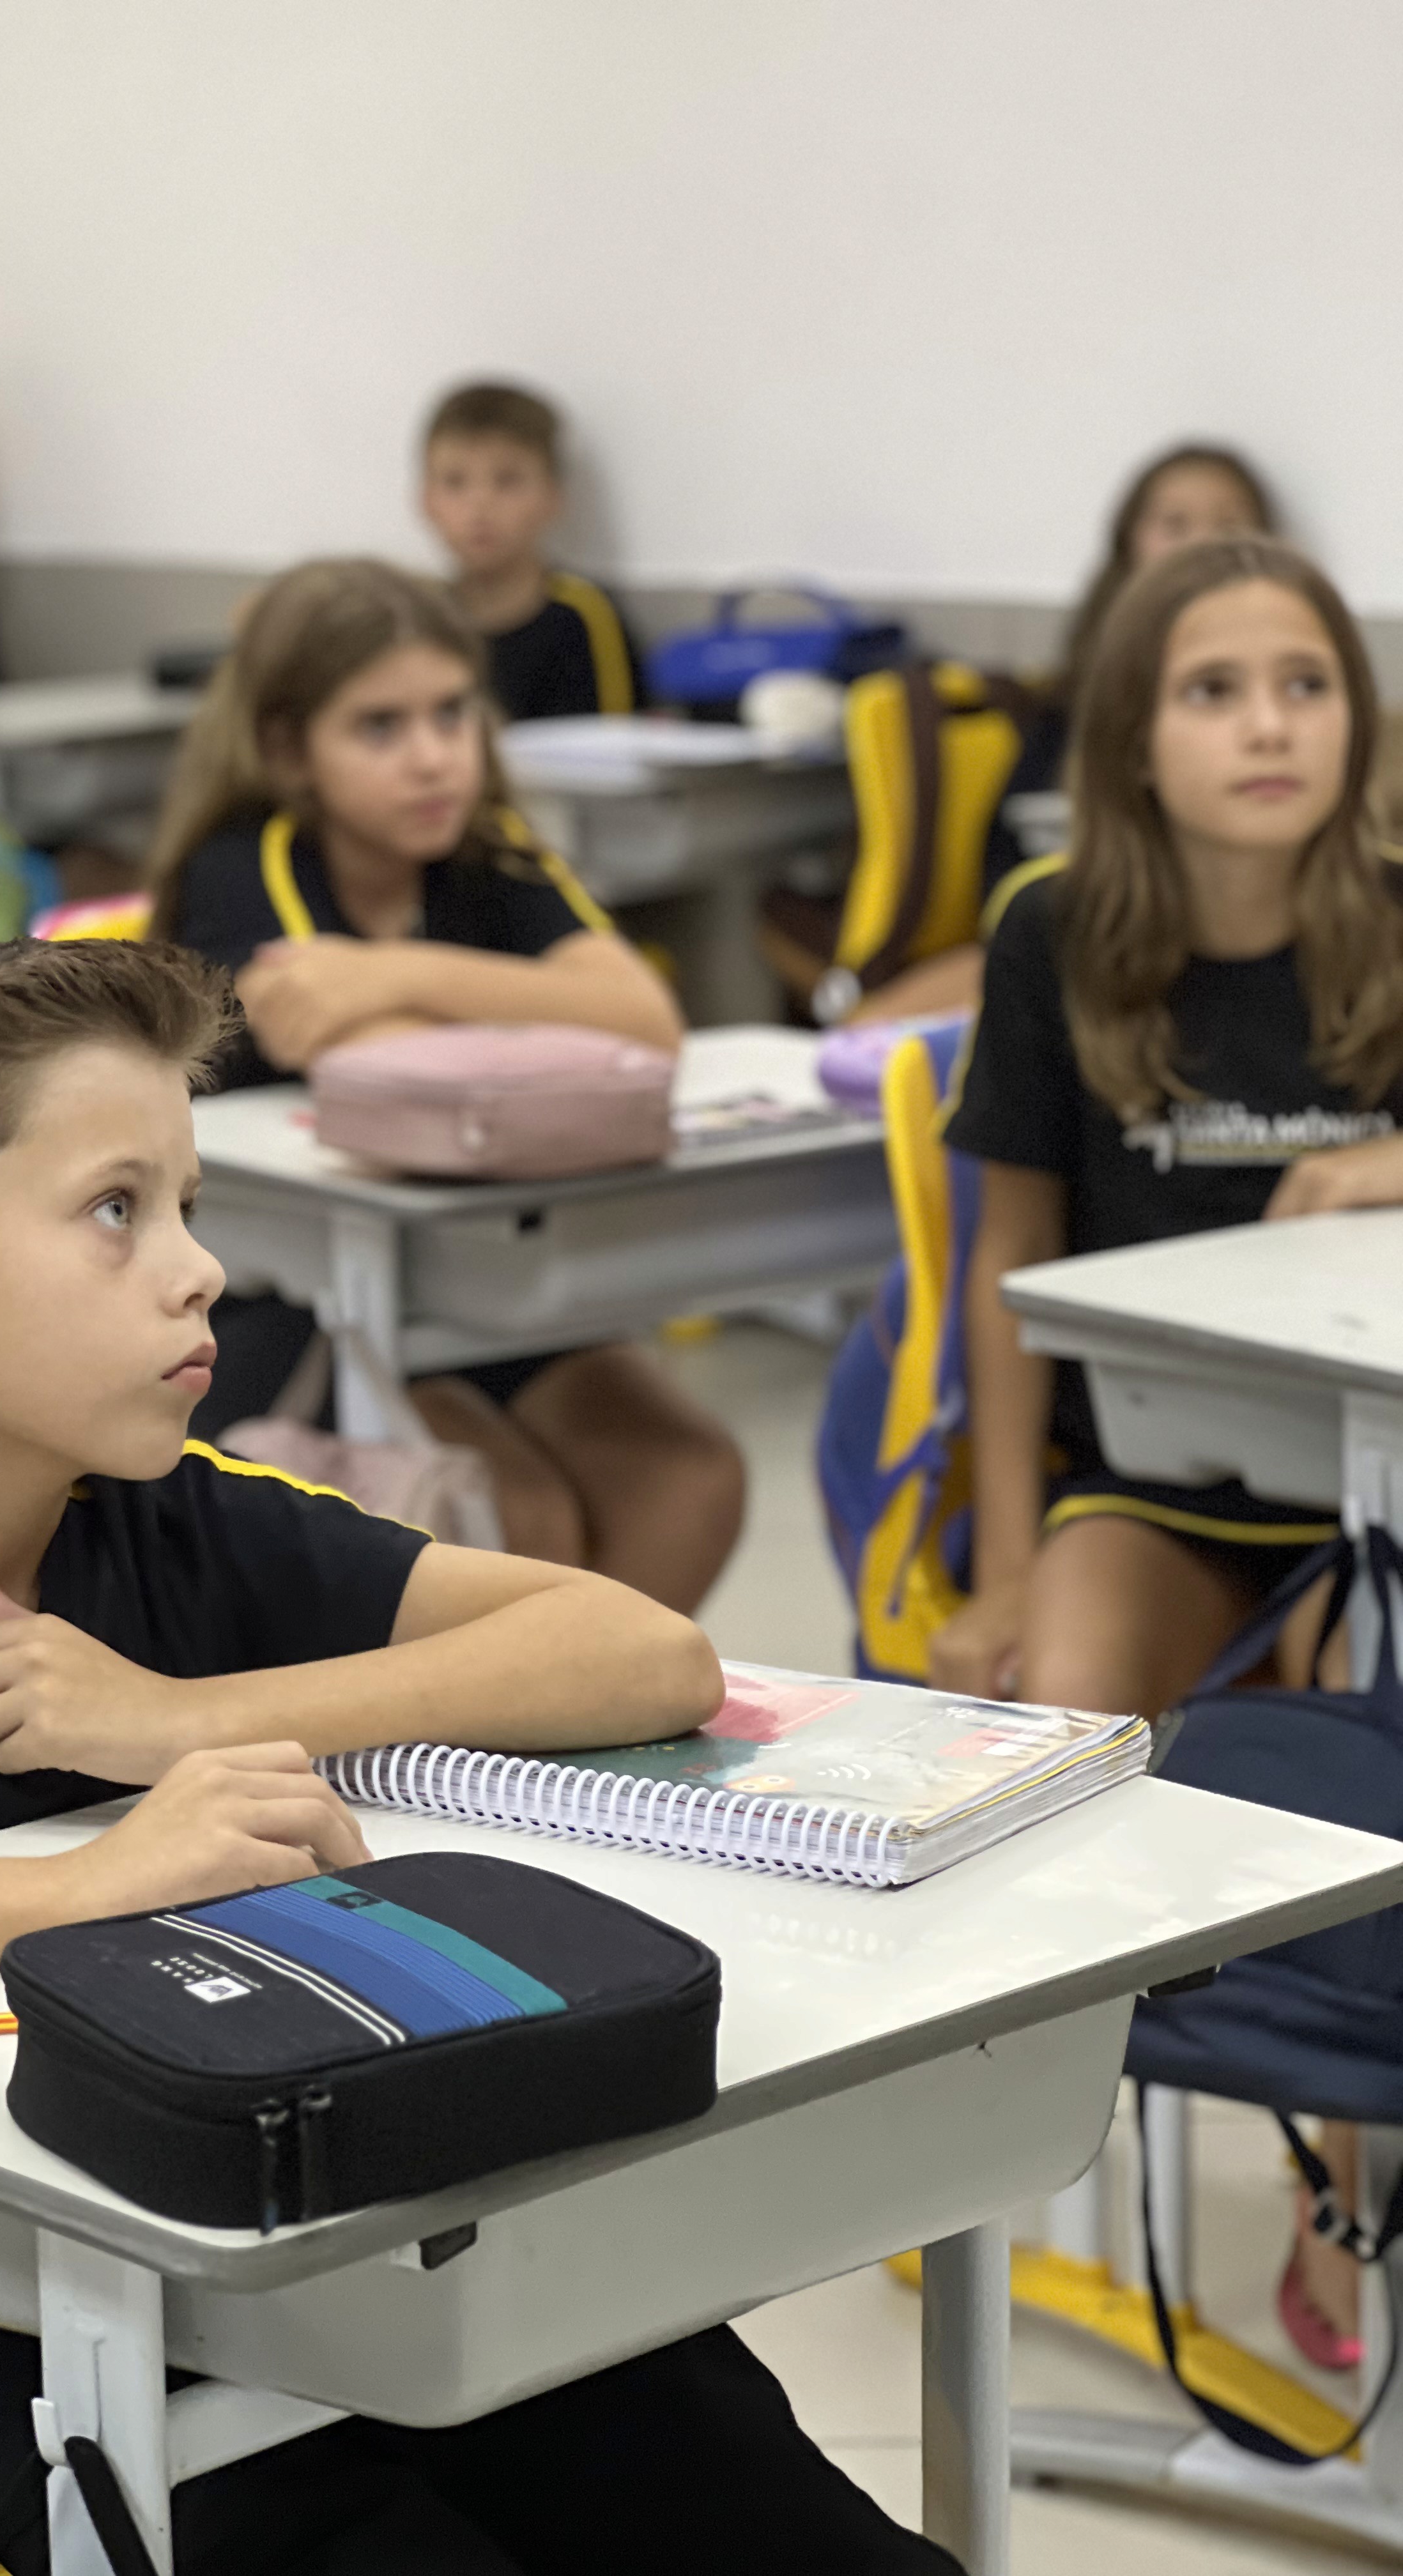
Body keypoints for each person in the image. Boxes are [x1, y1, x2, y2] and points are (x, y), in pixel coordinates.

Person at [0, 934, 958, 2576]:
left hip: (336, 2280)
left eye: (184, 1205)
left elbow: (642, 1653)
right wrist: (86, 1887)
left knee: (737, 2480)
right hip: (17, 2391)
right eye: (119, 1211)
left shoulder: (170, 1514)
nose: (197, 1272)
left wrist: (174, 1719)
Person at [932, 535, 1403, 2366]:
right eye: (1215, 692)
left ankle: (1342, 2177)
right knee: (1058, 1716)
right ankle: (1024, 2150)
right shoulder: (1058, 933)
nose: (1269, 727)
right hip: (1148, 1483)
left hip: (1370, 1489)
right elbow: (1006, 1267)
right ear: (1135, 737)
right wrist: (991, 1560)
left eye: (1307, 687)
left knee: (1377, 1739)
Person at [151, 558, 744, 1613]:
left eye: (450, 714)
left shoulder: (489, 856)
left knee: (688, 1481)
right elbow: (371, 1061)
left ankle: (573, 1746)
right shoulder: (251, 863)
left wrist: (397, 970)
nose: (430, 758)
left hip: (480, 1281)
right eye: (378, 727)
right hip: (301, 1305)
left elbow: (645, 1021)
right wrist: (521, 1002)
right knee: (514, 1522)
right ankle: (493, 1748)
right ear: (290, 748)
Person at [851, 443, 1276, 1025]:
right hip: (1073, 929)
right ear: (1129, 543)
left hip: (1203, 948)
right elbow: (1006, 865)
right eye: (1175, 525)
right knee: (867, 1033)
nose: (1202, 544)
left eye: (1229, 525)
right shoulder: (1072, 705)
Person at [419, 383, 644, 723]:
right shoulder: (415, 619)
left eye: (507, 481)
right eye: (455, 482)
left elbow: (616, 748)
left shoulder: (585, 618)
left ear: (552, 497)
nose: (480, 507)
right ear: (426, 500)